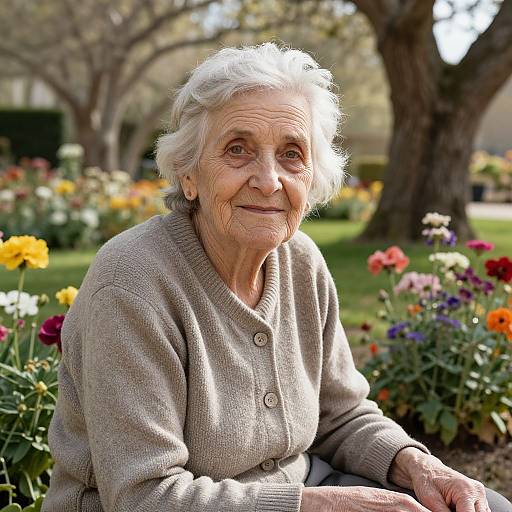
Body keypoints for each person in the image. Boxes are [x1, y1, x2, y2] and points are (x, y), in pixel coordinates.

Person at [41, 42, 512, 512]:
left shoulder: (300, 260)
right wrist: (315, 506)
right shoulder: (132, 284)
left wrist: (419, 465)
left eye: (291, 154)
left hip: (301, 487)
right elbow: (145, 495)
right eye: (238, 150)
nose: (268, 180)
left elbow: (341, 413)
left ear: (313, 177)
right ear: (189, 173)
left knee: (485, 507)